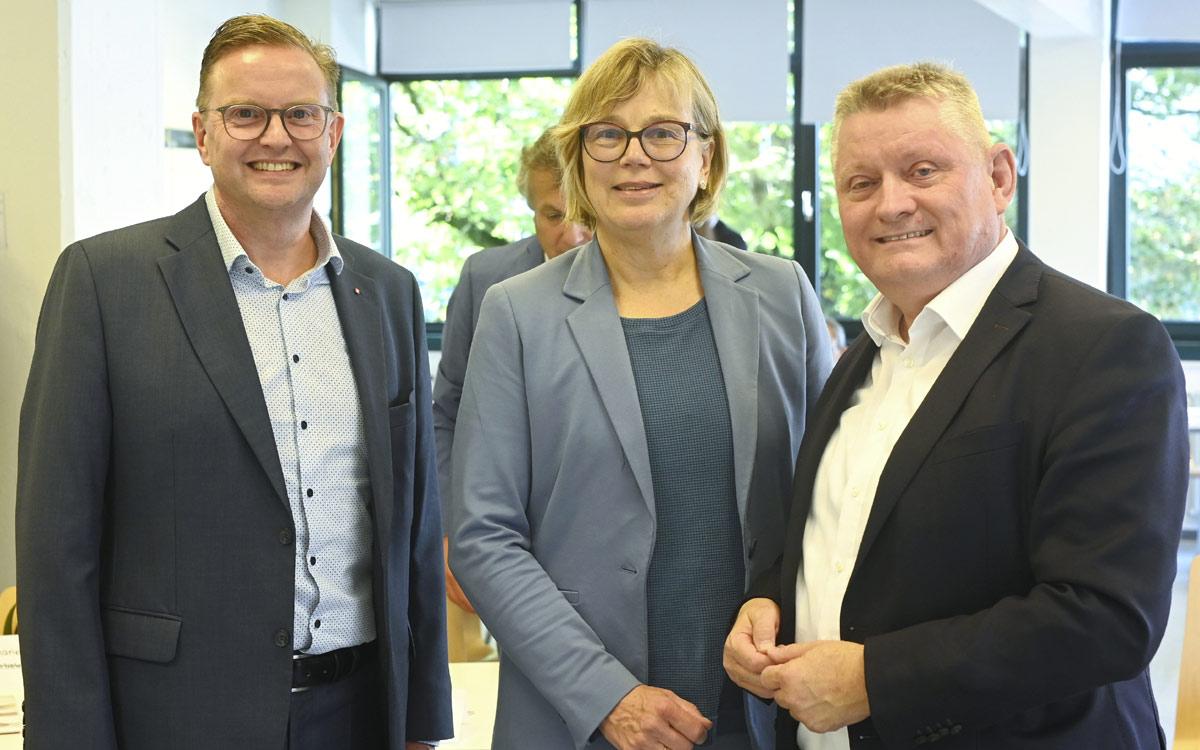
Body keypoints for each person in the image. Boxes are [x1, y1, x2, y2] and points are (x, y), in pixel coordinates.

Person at [723, 62, 1190, 749]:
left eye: (921, 171)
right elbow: (842, 537)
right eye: (861, 183)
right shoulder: (861, 357)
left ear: (999, 177)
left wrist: (874, 679)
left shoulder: (1104, 347)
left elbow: (1105, 618)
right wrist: (769, 601)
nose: (891, 204)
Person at [15, 14, 452, 750]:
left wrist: (420, 722)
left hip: (358, 715)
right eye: (245, 114)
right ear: (204, 133)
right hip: (174, 717)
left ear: (333, 133)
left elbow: (415, 530)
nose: (276, 138)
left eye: (300, 114)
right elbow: (57, 550)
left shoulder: (388, 293)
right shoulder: (104, 283)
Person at [449, 38, 832, 750]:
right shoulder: (516, 312)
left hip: (762, 706)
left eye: (663, 133)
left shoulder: (782, 296)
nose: (634, 156)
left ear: (705, 158)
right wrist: (607, 696)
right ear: (579, 158)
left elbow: (832, 496)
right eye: (607, 135)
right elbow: (484, 537)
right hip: (581, 716)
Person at [433, 129, 592, 661]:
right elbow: (446, 410)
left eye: (583, 215)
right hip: (487, 523)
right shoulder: (485, 278)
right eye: (552, 215)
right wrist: (451, 526)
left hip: (582, 534)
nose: (570, 234)